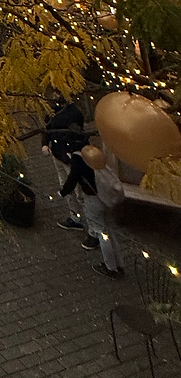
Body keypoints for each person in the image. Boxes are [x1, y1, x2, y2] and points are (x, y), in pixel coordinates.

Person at [60, 145, 123, 277]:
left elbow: (72, 180)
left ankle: (110, 268)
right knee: (110, 232)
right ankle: (119, 264)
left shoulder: (80, 161)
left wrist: (62, 192)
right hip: (106, 199)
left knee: (101, 233)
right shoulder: (96, 158)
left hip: (93, 200)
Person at [44, 97, 87, 229]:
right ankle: (75, 218)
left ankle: (93, 229)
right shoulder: (54, 110)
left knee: (79, 192)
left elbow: (77, 134)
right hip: (58, 155)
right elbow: (48, 128)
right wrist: (45, 143)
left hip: (70, 159)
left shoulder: (74, 113)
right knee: (65, 187)